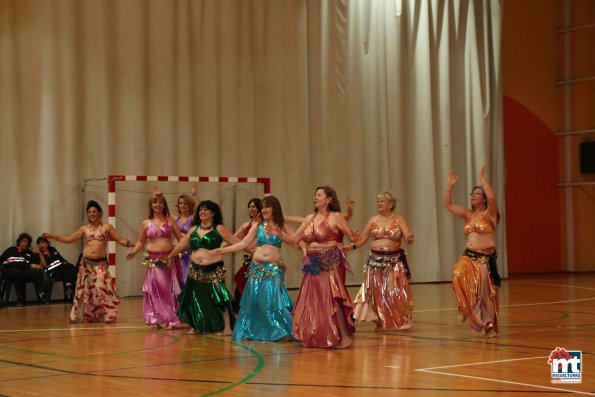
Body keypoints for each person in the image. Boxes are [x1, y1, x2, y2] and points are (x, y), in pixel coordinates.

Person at [270, 186, 358, 349]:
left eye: (319, 195)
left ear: (328, 199)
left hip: (331, 262)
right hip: (313, 264)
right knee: (315, 299)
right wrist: (280, 235)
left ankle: (345, 337)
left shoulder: (336, 217)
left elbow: (351, 236)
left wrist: (354, 237)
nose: (315, 198)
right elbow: (295, 239)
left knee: (332, 297)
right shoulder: (310, 217)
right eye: (315, 195)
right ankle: (320, 333)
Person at [214, 195, 294, 341]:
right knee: (255, 300)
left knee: (273, 300)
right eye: (262, 207)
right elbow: (243, 244)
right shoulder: (258, 226)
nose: (263, 210)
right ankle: (253, 330)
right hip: (256, 268)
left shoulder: (282, 225)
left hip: (273, 269)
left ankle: (280, 331)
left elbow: (295, 241)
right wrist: (221, 250)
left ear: (274, 208)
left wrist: (306, 249)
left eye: (267, 207)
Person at [43, 200, 134, 323]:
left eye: (94, 211)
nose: (91, 214)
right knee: (85, 291)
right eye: (89, 212)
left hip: (100, 264)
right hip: (85, 264)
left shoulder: (107, 227)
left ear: (100, 213)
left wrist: (133, 244)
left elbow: (120, 239)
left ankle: (109, 315)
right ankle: (84, 315)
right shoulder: (84, 228)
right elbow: (69, 239)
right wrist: (54, 237)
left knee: (101, 287)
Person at [444, 163, 501, 338]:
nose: (473, 196)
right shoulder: (469, 214)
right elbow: (448, 204)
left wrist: (482, 177)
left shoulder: (489, 214)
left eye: (477, 194)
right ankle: (464, 307)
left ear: (483, 198)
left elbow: (492, 198)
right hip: (468, 256)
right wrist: (450, 186)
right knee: (457, 275)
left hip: (484, 258)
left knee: (485, 294)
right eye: (472, 194)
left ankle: (489, 326)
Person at [344, 190, 414, 331]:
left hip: (393, 261)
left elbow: (408, 237)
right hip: (375, 262)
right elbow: (362, 240)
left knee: (394, 290)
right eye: (378, 201)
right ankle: (379, 320)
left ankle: (403, 318)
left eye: (382, 201)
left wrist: (410, 237)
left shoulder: (398, 219)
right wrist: (350, 247)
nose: (379, 203)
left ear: (390, 204)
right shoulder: (373, 220)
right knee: (376, 292)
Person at [168, 200, 239, 335]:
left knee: (220, 297)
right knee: (195, 298)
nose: (202, 212)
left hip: (214, 269)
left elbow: (237, 243)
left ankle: (227, 327)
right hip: (195, 269)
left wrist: (253, 251)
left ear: (213, 213)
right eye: (200, 210)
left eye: (206, 210)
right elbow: (182, 245)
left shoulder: (219, 229)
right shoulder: (193, 229)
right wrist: (171, 256)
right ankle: (196, 325)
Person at [126, 193, 183, 329]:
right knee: (155, 289)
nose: (158, 205)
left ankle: (171, 318)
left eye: (160, 202)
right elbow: (141, 241)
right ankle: (157, 317)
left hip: (168, 260)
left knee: (167, 289)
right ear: (151, 205)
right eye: (155, 203)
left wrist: (183, 249)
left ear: (164, 205)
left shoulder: (170, 221)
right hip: (152, 260)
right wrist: (133, 252)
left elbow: (181, 238)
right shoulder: (145, 223)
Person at [230, 198, 262, 312]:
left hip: (260, 260)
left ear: (260, 209)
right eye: (249, 206)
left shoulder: (264, 225)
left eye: (253, 206)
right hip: (247, 259)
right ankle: (244, 311)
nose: (250, 209)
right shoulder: (246, 225)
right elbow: (232, 238)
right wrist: (219, 247)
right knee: (242, 284)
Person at [0, 233, 47, 306]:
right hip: (10, 271)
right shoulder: (10, 250)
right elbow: (1, 260)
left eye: (27, 242)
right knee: (18, 273)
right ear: (19, 242)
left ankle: (41, 296)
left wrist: (37, 265)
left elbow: (33, 264)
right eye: (24, 241)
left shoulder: (29, 253)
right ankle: (20, 299)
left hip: (24, 271)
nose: (26, 243)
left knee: (37, 272)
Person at [36, 236, 77, 303]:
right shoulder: (38, 254)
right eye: (39, 244)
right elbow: (45, 266)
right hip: (52, 272)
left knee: (70, 267)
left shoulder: (52, 249)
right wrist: (40, 254)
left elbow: (61, 259)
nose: (41, 245)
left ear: (47, 243)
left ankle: (68, 286)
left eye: (43, 243)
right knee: (70, 268)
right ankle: (69, 287)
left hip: (60, 269)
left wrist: (65, 263)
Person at [174, 192, 197, 288]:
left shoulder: (193, 219)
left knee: (186, 280)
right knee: (177, 280)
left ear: (190, 205)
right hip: (177, 254)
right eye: (181, 203)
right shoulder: (175, 219)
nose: (183, 205)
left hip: (189, 255)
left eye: (185, 203)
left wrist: (195, 195)